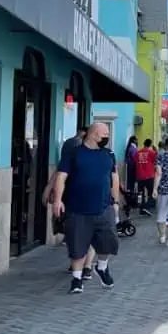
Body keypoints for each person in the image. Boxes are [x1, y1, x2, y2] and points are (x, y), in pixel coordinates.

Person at [50, 123, 122, 294]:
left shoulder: (109, 155)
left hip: (104, 208)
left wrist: (116, 202)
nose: (107, 137)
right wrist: (58, 200)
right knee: (77, 246)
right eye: (105, 134)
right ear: (94, 135)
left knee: (108, 242)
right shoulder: (73, 154)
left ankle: (102, 268)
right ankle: (76, 279)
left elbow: (115, 178)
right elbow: (61, 177)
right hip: (77, 209)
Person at [43, 125, 97, 279]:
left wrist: (49, 188)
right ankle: (84, 266)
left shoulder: (71, 145)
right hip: (81, 197)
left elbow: (60, 171)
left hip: (75, 196)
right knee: (87, 232)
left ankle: (80, 264)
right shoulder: (78, 148)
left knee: (78, 231)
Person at [135, 139, 157, 216]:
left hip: (140, 176)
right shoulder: (152, 153)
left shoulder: (137, 153)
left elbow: (136, 162)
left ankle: (141, 207)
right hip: (149, 176)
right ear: (150, 144)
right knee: (151, 193)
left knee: (140, 193)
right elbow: (156, 162)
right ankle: (147, 207)